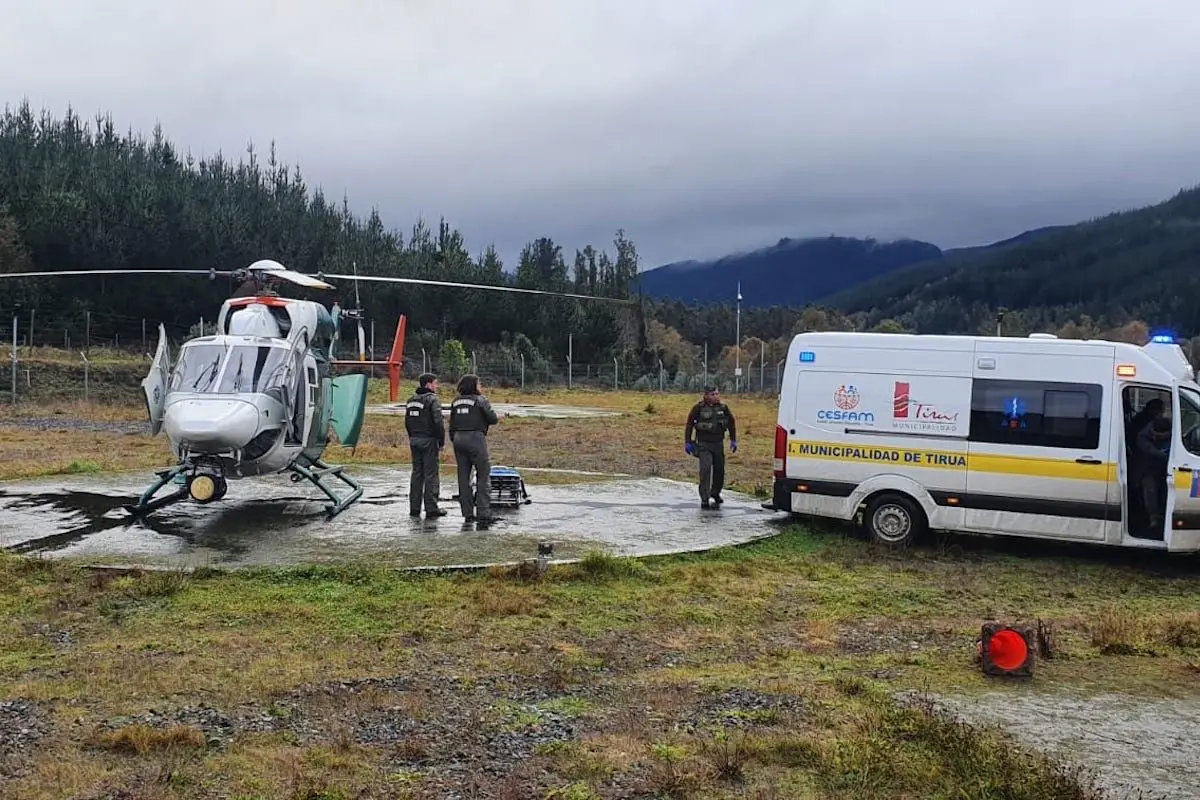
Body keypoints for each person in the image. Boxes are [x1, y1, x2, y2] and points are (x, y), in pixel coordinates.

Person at [449, 373, 499, 523]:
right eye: (479, 384)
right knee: (483, 475)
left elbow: (451, 423)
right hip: (475, 438)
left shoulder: (456, 401)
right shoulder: (480, 400)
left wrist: (454, 438)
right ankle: (483, 512)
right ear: (474, 385)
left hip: (458, 439)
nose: (481, 387)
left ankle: (467, 513)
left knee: (463, 477)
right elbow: (493, 418)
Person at [685, 385, 737, 509]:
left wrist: (733, 440)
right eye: (713, 394)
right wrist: (687, 441)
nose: (716, 396)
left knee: (719, 470)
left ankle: (715, 493)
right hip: (704, 444)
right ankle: (704, 498)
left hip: (718, 444)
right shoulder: (698, 408)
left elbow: (731, 423)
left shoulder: (723, 408)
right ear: (706, 395)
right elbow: (689, 424)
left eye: (717, 394)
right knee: (705, 470)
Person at [404, 372, 446, 518]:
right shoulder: (432, 400)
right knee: (431, 475)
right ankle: (431, 508)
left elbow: (407, 422)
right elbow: (438, 422)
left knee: (417, 473)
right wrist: (441, 441)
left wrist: (412, 437)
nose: (437, 386)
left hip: (414, 439)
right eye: (435, 383)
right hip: (429, 440)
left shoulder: (411, 400)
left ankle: (414, 508)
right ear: (428, 384)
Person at [1132, 415, 1171, 537]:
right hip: (1146, 470)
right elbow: (1154, 453)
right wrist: (1165, 454)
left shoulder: (1169, 430)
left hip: (1163, 471)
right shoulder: (1142, 438)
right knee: (1150, 490)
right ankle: (1153, 520)